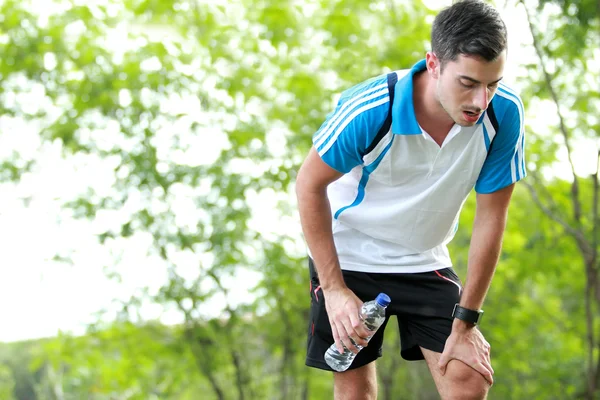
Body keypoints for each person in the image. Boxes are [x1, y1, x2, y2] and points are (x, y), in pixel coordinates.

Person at [295, 0, 526, 399]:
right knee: (355, 393)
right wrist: (333, 289)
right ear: (433, 63)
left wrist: (466, 323)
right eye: (468, 83)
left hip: (424, 257)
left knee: (468, 379)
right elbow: (308, 185)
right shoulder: (371, 107)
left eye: (493, 84)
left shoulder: (503, 116)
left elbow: (492, 218)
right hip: (349, 255)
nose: (479, 100)